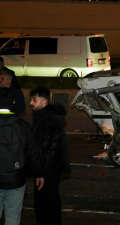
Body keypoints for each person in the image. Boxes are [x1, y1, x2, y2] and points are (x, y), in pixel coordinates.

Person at [0, 87, 44, 225]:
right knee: (13, 217)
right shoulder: (22, 125)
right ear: (13, 102)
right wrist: (39, 174)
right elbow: (33, 152)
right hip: (16, 179)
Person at [29, 87, 70, 225]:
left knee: (46, 204)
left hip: (49, 169)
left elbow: (45, 147)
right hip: (50, 169)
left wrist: (40, 171)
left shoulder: (48, 119)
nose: (31, 103)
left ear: (44, 102)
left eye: (34, 100)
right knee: (48, 202)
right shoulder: (44, 116)